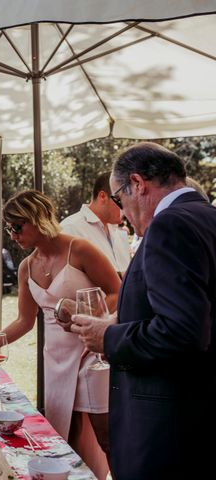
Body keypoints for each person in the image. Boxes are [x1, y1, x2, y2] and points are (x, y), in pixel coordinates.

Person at [71, 142, 216, 479]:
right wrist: (120, 318)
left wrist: (109, 337)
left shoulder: (171, 225)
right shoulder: (207, 216)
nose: (121, 213)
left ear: (137, 184)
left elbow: (183, 331)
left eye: (120, 199)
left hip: (167, 427)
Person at [0, 190, 120, 480]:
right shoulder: (26, 267)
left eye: (17, 226)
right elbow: (24, 321)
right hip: (55, 361)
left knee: (107, 436)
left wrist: (86, 310)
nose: (13, 234)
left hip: (90, 355)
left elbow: (118, 291)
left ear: (37, 218)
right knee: (62, 437)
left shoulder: (80, 250)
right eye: (9, 228)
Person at [61, 171, 131, 275]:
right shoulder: (70, 229)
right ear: (102, 196)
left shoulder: (118, 231)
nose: (126, 208)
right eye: (121, 201)